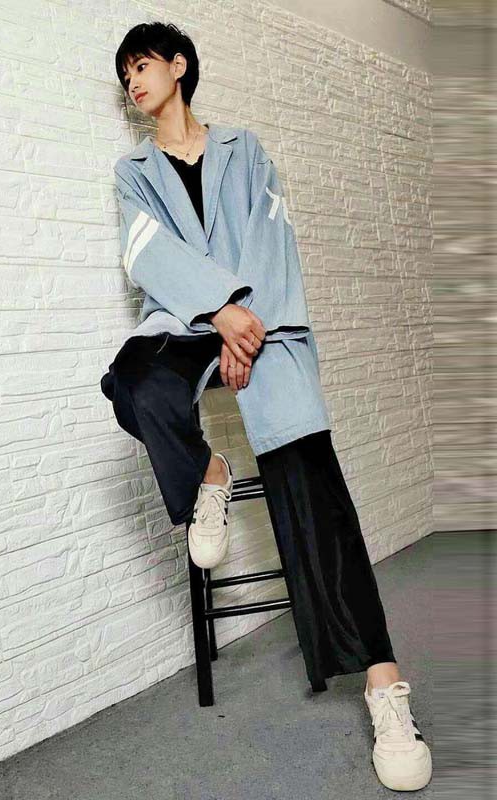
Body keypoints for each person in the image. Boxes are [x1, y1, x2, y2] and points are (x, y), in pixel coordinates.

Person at [101, 21, 432, 792]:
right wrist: (218, 313)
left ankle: (384, 686)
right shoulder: (133, 171)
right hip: (186, 320)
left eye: (142, 65)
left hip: (264, 322)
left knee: (315, 485)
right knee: (134, 383)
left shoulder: (244, 149)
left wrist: (245, 325)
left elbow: (270, 240)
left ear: (178, 65)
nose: (134, 82)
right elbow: (147, 253)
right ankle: (208, 473)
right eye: (125, 76)